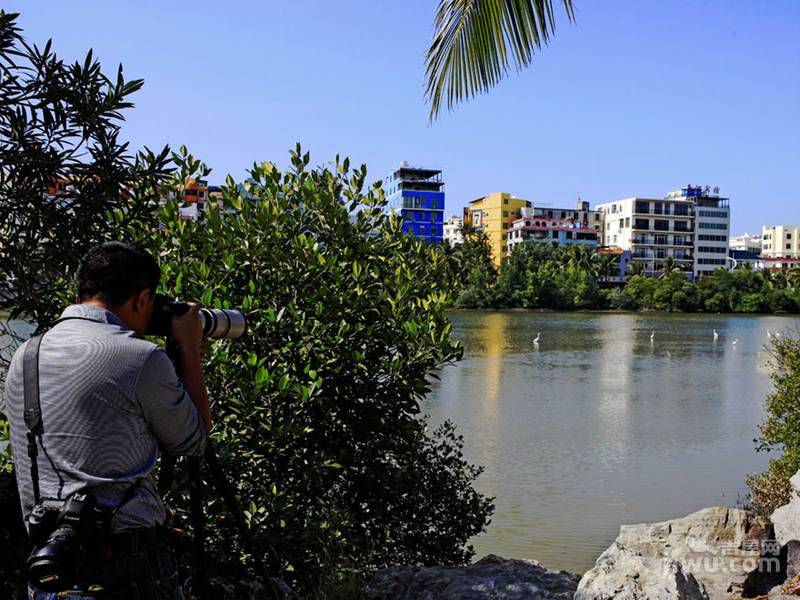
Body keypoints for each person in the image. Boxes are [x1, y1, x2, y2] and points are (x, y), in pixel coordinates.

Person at [2, 241, 210, 599]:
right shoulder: (141, 358)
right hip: (128, 570)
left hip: (51, 565)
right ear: (142, 299)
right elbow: (193, 441)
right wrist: (188, 350)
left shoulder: (25, 356)